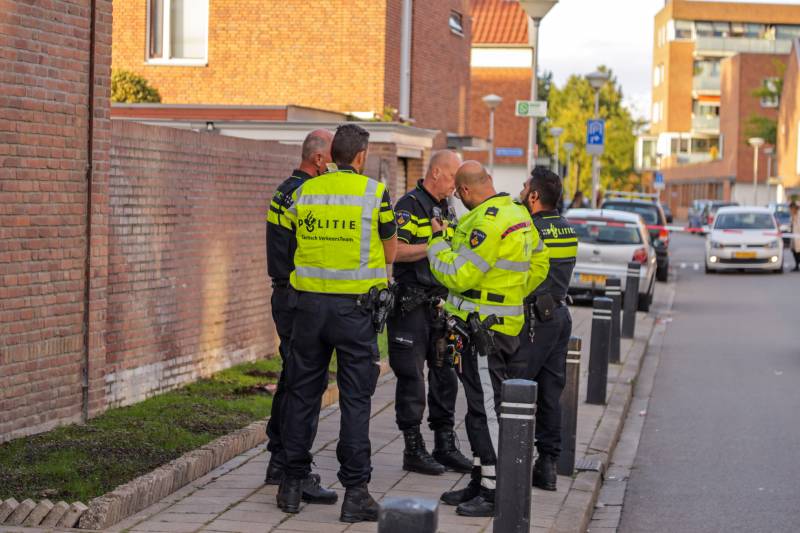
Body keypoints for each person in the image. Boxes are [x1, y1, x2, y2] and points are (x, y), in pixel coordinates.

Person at [278, 124, 398, 523]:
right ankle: (356, 493)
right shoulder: (374, 193)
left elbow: (295, 234)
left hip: (308, 308)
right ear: (361, 157)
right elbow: (389, 248)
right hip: (354, 312)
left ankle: (292, 485)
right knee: (355, 399)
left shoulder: (304, 192)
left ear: (331, 155)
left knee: (302, 394)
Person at [428, 161, 550, 517]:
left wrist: (437, 242)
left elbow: (458, 274)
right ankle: (481, 478)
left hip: (482, 330)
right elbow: (540, 264)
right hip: (506, 325)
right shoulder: (517, 212)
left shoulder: (484, 222)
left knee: (486, 411)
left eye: (458, 193)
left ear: (465, 191)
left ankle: (497, 491)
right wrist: (509, 294)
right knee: (483, 407)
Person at [388, 150, 472, 476]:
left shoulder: (448, 208)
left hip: (441, 305)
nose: (456, 186)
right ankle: (413, 447)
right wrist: (433, 245)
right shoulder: (408, 206)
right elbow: (394, 250)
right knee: (411, 378)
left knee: (446, 376)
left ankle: (445, 443)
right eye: (453, 178)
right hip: (411, 304)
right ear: (436, 172)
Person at [264, 130, 336, 506]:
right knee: (305, 386)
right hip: (297, 297)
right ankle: (296, 470)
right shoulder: (307, 196)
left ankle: (278, 457)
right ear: (320, 160)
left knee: (292, 377)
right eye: (332, 161)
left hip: (283, 293)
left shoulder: (284, 189)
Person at [517, 167, 578, 491]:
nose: (523, 190)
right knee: (550, 396)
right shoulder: (568, 229)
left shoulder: (529, 230)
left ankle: (514, 462)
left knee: (517, 391)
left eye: (526, 186)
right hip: (559, 316)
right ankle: (548, 465)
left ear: (535, 196)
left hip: (531, 321)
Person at [790, 202, 800, 271]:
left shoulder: (799, 215)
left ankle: (797, 265)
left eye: (791, 209)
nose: (790, 210)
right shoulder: (793, 215)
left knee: (798, 251)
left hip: (798, 237)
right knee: (794, 251)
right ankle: (797, 265)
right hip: (794, 237)